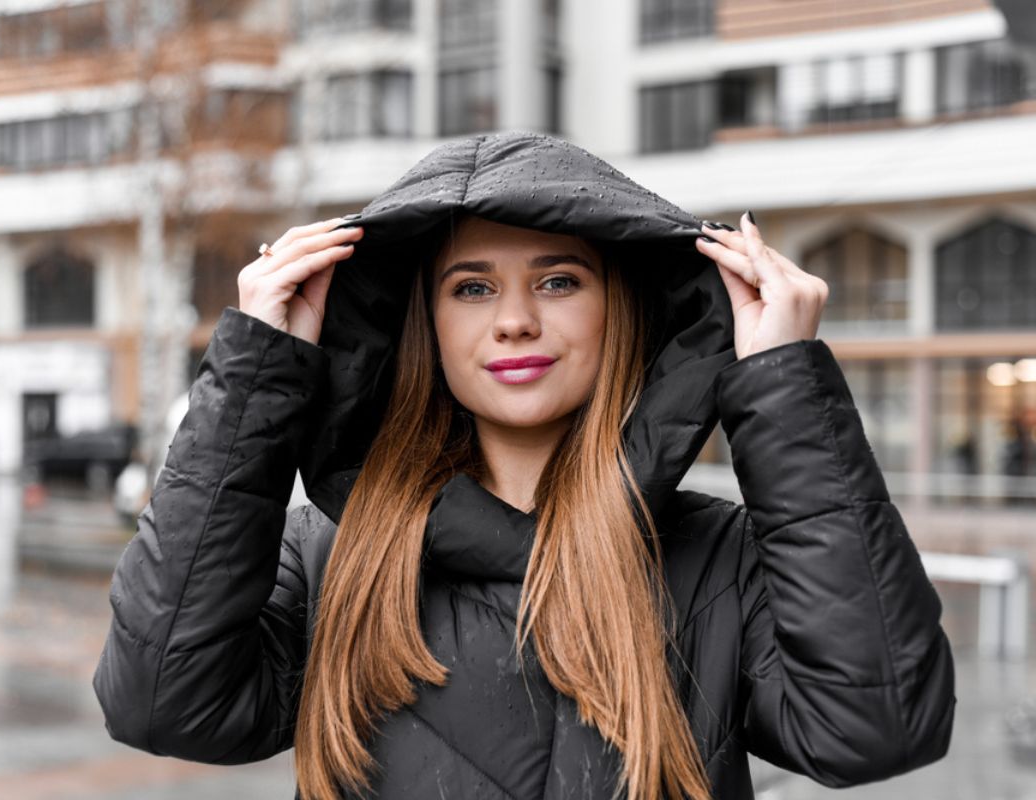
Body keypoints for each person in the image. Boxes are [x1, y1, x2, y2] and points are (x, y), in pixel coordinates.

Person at [93, 131, 955, 800]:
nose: (513, 321)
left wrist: (784, 386)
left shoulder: (721, 558)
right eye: (472, 287)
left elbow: (877, 725)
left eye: (558, 282)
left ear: (622, 308)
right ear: (424, 325)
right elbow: (162, 703)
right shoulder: (326, 552)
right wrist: (254, 375)